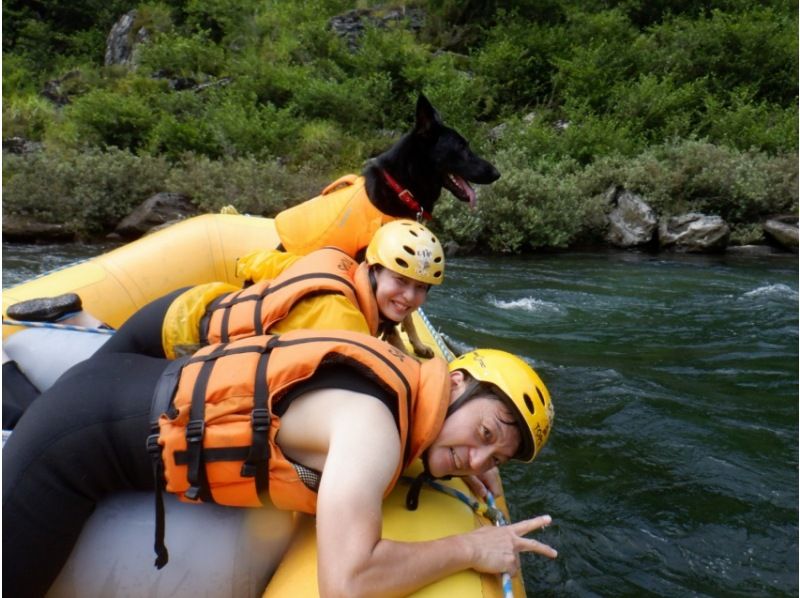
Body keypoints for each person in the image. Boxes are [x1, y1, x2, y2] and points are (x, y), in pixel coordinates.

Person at [3, 328, 557, 597]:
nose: (478, 457)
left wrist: (468, 455)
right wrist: (472, 547)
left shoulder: (405, 391)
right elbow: (347, 581)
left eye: (495, 457)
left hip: (116, 385)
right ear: (455, 383)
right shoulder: (374, 429)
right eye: (484, 432)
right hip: (73, 444)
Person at [95, 218, 445, 359]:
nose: (410, 298)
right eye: (400, 281)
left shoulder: (337, 266)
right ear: (374, 270)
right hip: (179, 335)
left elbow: (261, 262)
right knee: (89, 381)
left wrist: (248, 281)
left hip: (192, 302)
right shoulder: (345, 321)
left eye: (421, 288)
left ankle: (82, 322)